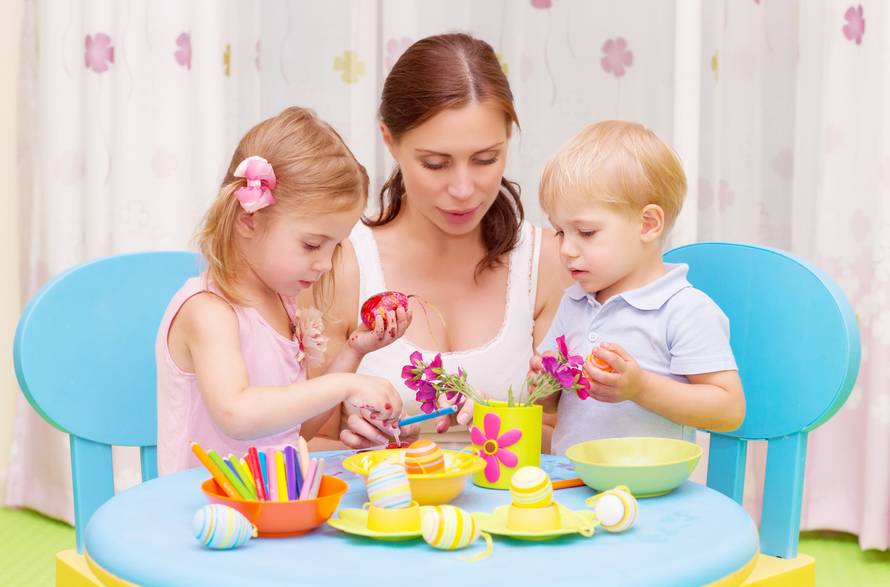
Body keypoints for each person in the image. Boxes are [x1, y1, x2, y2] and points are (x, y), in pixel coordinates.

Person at [307, 33, 570, 450]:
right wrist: (367, 449)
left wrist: (492, 422)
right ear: (389, 140)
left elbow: (570, 441)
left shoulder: (550, 262)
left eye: (486, 159)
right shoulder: (341, 265)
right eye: (435, 164)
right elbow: (301, 443)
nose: (463, 189)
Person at [156, 107, 410, 474]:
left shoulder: (282, 305)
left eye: (335, 247)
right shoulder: (208, 311)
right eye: (312, 245)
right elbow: (236, 414)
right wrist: (343, 385)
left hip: (272, 499)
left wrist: (354, 351)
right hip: (203, 504)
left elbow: (296, 430)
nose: (325, 264)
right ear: (248, 219)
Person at [532, 120, 746, 455]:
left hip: (651, 484)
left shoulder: (683, 309)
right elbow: (552, 407)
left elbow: (728, 410)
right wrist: (545, 389)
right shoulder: (574, 302)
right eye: (560, 232)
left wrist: (640, 388)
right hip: (572, 478)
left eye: (585, 232)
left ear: (647, 224)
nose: (566, 250)